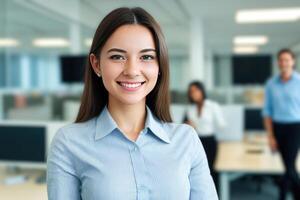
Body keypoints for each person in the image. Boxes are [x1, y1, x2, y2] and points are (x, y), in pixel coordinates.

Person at [47, 7, 218, 200]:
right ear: (96, 64)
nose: (132, 70)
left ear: (159, 65)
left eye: (146, 57)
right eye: (117, 57)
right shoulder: (69, 143)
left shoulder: (186, 140)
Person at [263, 48, 300, 200]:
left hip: (295, 127)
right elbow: (267, 111)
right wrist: (270, 136)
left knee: (289, 166)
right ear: (278, 62)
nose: (284, 63)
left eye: (287, 59)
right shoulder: (271, 84)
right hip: (278, 127)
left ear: (293, 62)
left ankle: (286, 195)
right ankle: (285, 195)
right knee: (287, 167)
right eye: (281, 60)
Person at [183, 81, 226, 188]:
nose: (194, 94)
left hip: (210, 141)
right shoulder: (190, 108)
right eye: (191, 92)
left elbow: (222, 125)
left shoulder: (212, 106)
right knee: (197, 170)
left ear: (202, 90)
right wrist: (188, 125)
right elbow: (184, 127)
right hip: (196, 141)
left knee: (211, 169)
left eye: (196, 90)